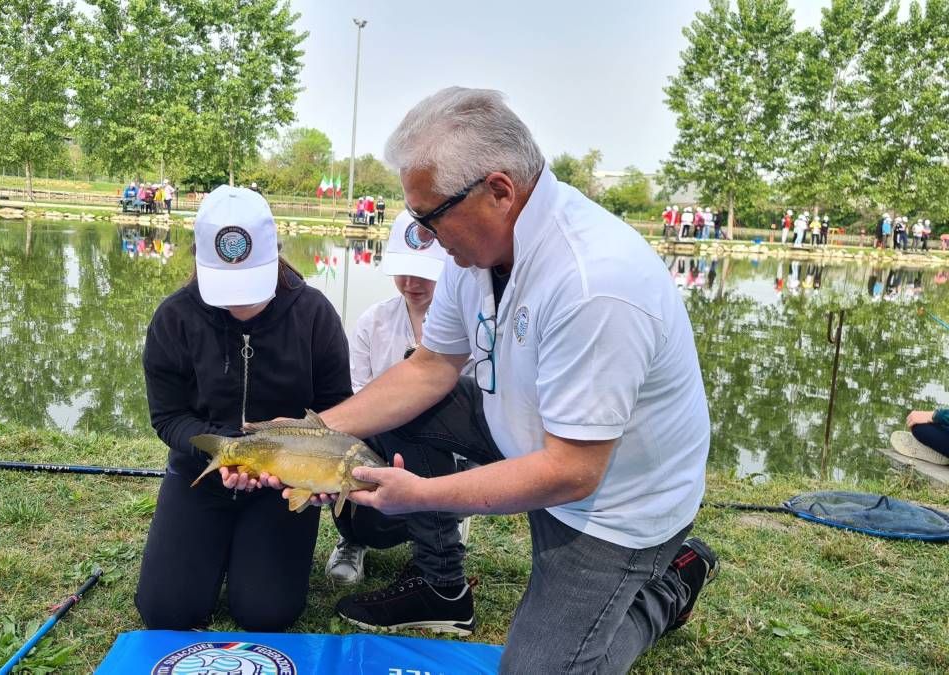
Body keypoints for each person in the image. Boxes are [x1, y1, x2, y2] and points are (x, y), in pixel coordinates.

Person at [275, 87, 716, 672]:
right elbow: (430, 369)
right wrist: (311, 432)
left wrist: (422, 497)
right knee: (407, 415)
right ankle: (441, 588)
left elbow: (572, 471)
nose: (425, 238)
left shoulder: (596, 283)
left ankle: (666, 587)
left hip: (613, 501)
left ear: (499, 192)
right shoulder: (478, 254)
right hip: (526, 428)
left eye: (429, 218)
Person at [134, 185, 352, 632]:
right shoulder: (173, 318)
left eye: (249, 286)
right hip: (202, 474)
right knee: (166, 611)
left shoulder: (315, 315)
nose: (238, 304)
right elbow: (168, 417)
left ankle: (255, 557)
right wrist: (217, 451)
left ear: (276, 254)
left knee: (266, 613)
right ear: (197, 258)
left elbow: (337, 411)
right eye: (224, 289)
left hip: (282, 482)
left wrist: (320, 467)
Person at [326, 212, 451, 585]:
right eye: (403, 270)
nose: (412, 283)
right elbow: (358, 402)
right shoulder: (371, 322)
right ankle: (353, 537)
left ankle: (444, 531)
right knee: (344, 459)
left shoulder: (469, 324)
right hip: (381, 440)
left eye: (424, 271)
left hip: (443, 443)